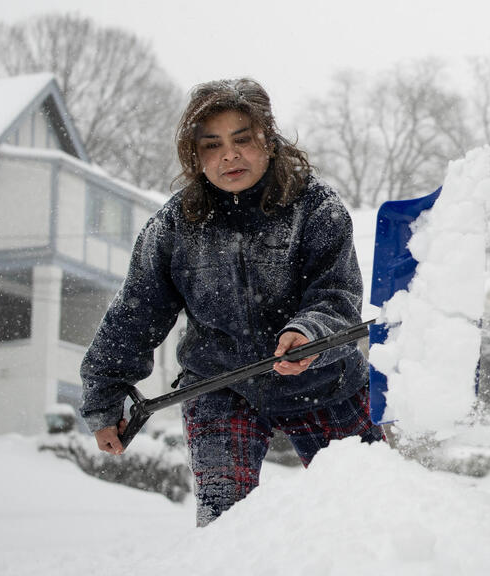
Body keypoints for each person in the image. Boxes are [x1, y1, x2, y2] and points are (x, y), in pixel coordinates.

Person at [80, 78, 383, 526]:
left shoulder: (316, 208)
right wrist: (104, 397)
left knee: (371, 513)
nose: (229, 155)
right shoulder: (175, 226)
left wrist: (309, 334)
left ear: (269, 140)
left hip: (325, 382)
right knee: (224, 528)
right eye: (212, 145)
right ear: (195, 155)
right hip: (220, 386)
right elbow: (134, 315)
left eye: (243, 139)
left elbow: (336, 297)